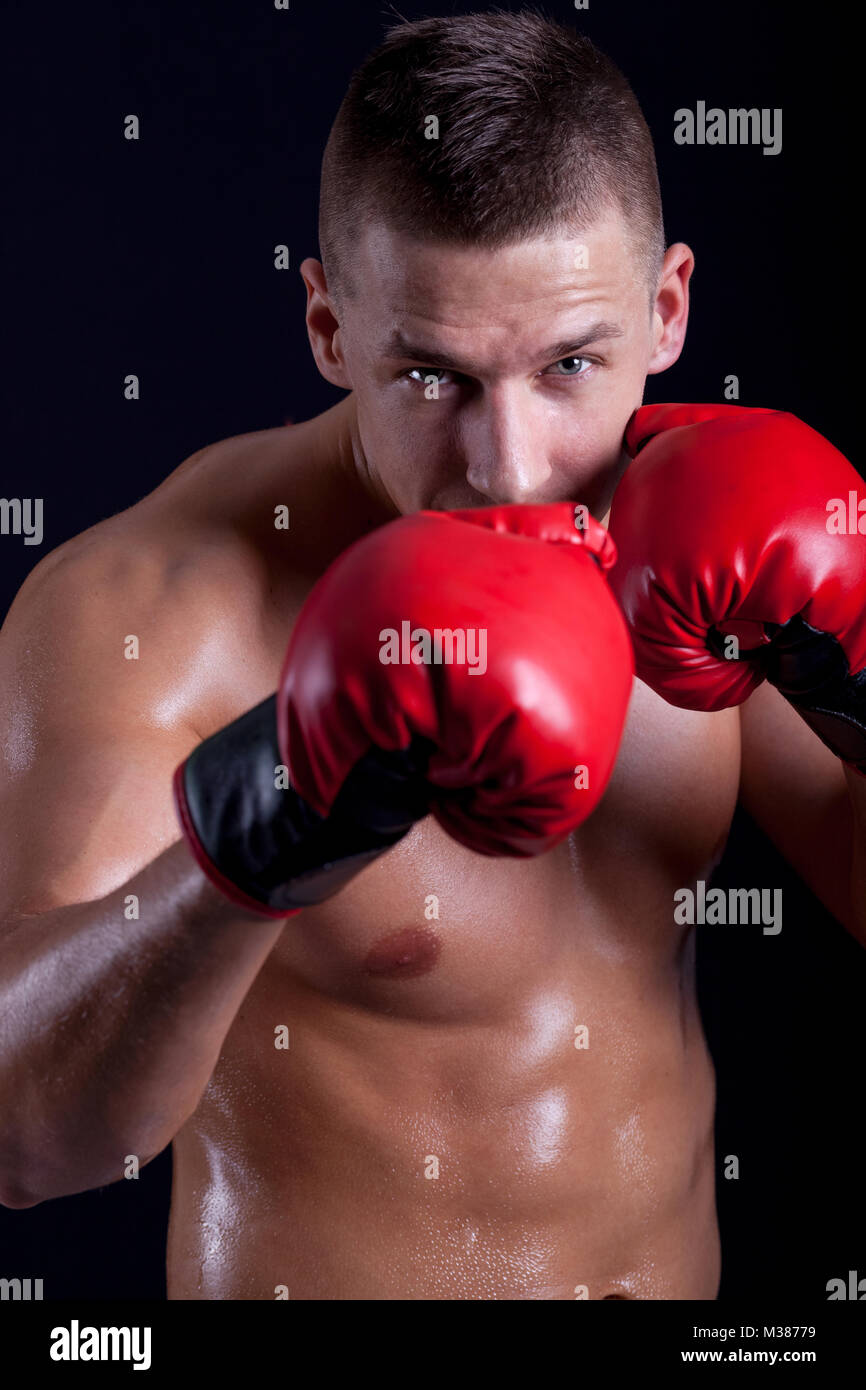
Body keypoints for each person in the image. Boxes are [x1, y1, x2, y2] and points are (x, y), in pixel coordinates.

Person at [1, 11, 863, 1301]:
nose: (507, 464)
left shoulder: (711, 547)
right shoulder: (157, 610)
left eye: (572, 364)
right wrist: (267, 822)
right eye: (430, 377)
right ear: (331, 327)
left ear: (669, 308)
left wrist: (856, 684)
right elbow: (26, 1137)